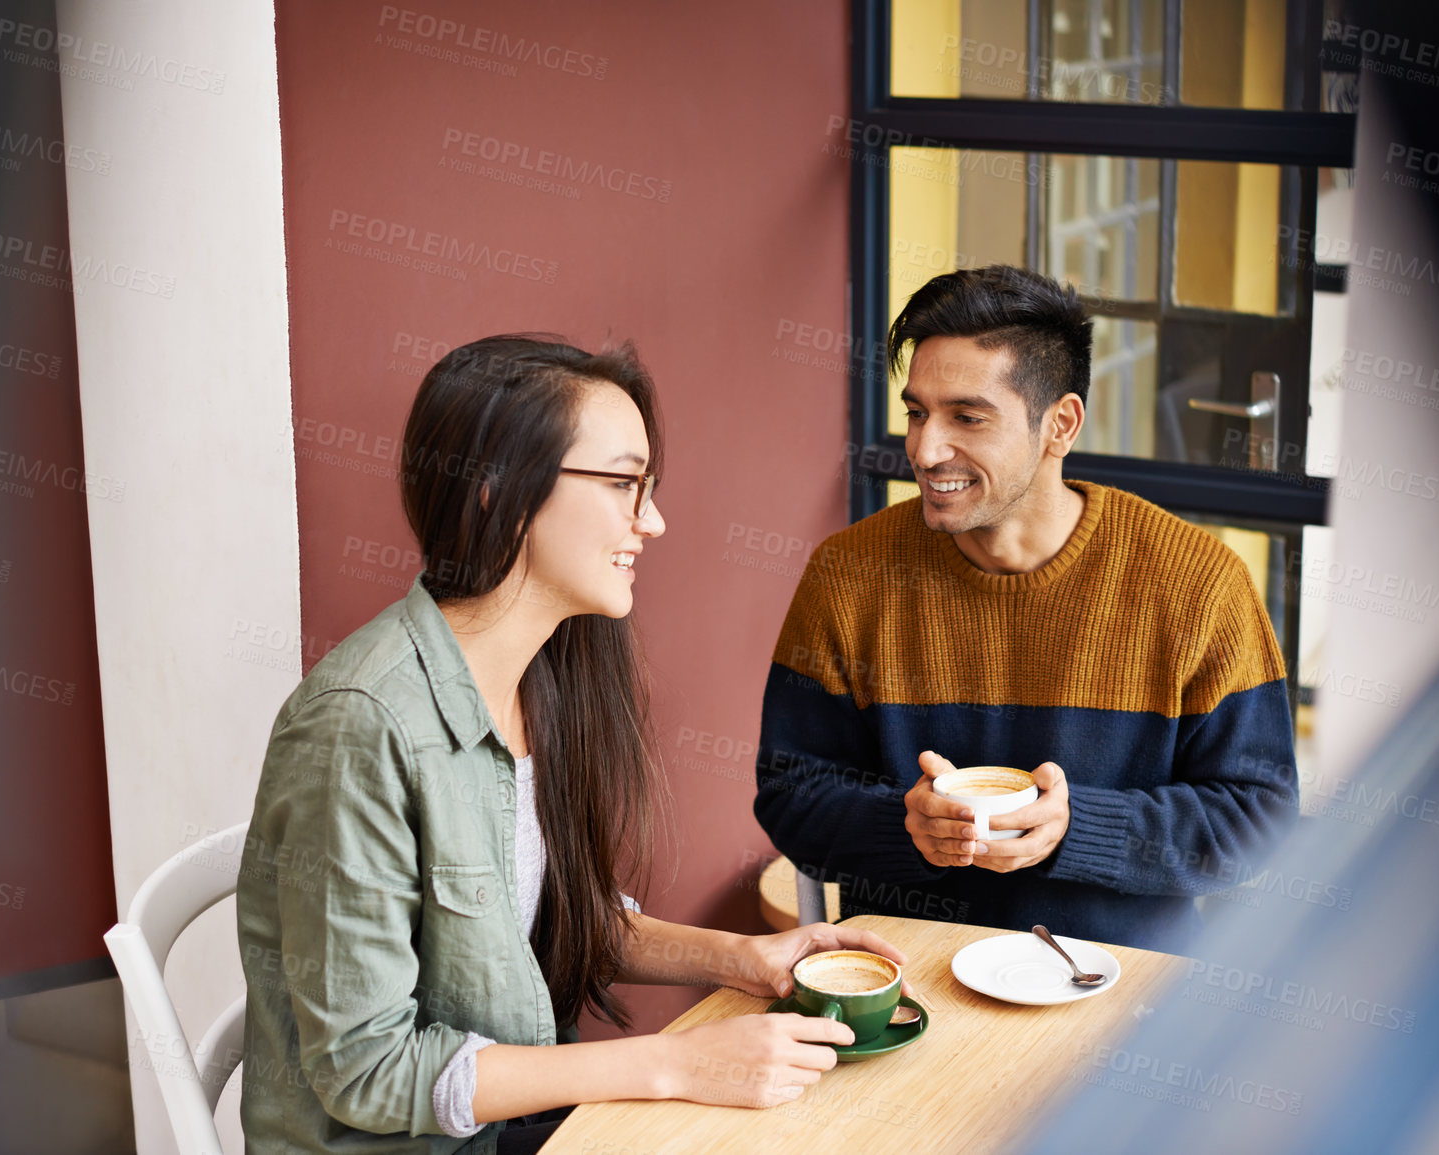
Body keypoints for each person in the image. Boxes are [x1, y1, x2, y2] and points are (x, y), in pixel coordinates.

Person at [237, 335, 903, 1154]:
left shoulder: (540, 676)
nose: (651, 521)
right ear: (497, 491)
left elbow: (552, 917)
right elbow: (367, 1070)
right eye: (624, 484)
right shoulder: (358, 723)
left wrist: (745, 958)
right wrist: (674, 1063)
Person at [753, 267, 1300, 952]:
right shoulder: (848, 574)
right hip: (911, 977)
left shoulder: (1197, 582)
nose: (923, 449)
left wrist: (1077, 829)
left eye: (967, 417)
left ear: (1059, 425)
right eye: (916, 411)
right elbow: (789, 791)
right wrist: (906, 825)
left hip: (1116, 990)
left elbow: (1261, 817)